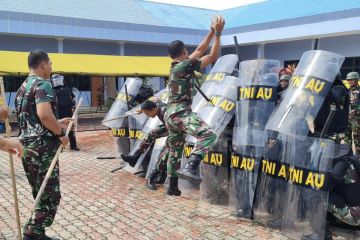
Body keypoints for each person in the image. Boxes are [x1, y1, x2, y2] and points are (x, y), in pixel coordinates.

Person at [15, 50, 71, 240]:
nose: (51, 67)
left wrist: (58, 121)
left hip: (27, 147)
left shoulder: (22, 87)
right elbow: (44, 115)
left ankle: (38, 233)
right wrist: (60, 133)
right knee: (50, 196)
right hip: (42, 148)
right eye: (50, 63)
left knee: (40, 193)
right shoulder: (43, 84)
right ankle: (32, 233)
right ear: (43, 65)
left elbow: (34, 118)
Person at [165, 16, 225, 189]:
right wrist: (219, 33)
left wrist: (212, 31)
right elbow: (212, 56)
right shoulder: (186, 65)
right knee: (208, 135)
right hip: (181, 113)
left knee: (175, 151)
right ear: (184, 52)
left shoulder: (176, 66)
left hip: (170, 116)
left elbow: (199, 50)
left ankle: (173, 186)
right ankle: (191, 165)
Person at [121, 100, 175, 193]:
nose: (147, 115)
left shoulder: (166, 114)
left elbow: (172, 130)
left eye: (147, 113)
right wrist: (141, 110)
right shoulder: (156, 105)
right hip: (170, 126)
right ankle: (135, 157)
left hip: (176, 129)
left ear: (154, 109)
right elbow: (155, 100)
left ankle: (152, 177)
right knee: (152, 134)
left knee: (166, 153)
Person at [52, 74, 79, 151]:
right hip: (58, 112)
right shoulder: (52, 90)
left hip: (68, 111)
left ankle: (73, 145)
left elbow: (72, 99)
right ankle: (59, 146)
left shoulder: (67, 89)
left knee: (71, 128)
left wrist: (73, 104)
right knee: (58, 129)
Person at [345, 72, 360, 154]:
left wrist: (355, 111)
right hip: (347, 119)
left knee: (357, 139)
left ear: (356, 80)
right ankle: (348, 155)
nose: (349, 81)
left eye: (351, 80)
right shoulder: (347, 91)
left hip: (356, 120)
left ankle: (358, 157)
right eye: (348, 80)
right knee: (347, 138)